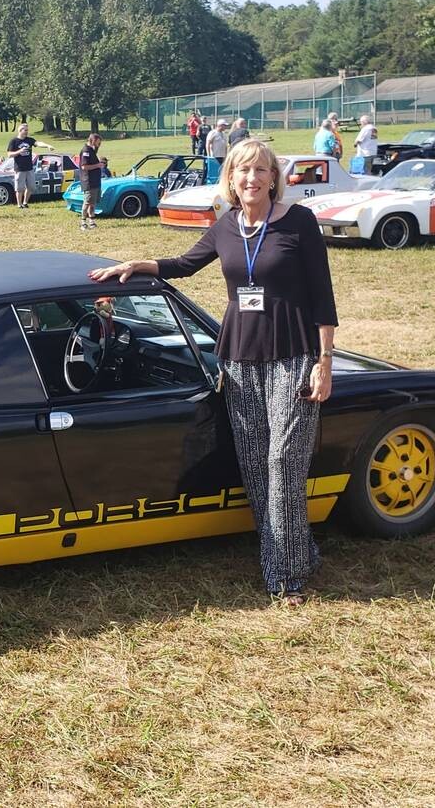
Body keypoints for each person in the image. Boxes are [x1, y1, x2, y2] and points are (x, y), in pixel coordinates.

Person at [87, 139, 336, 606]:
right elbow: (184, 264)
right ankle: (295, 556)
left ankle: (285, 577)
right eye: (244, 170)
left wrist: (324, 363)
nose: (252, 179)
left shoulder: (298, 222)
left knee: (284, 462)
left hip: (293, 354)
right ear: (231, 177)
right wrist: (138, 265)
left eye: (261, 170)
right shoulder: (226, 226)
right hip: (239, 358)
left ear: (274, 177)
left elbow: (323, 296)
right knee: (256, 465)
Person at [6, 123, 55, 210]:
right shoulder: (13, 141)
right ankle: (19, 204)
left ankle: (25, 203)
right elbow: (9, 155)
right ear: (20, 131)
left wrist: (47, 145)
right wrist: (19, 151)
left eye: (27, 130)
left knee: (31, 187)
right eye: (25, 130)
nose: (27, 132)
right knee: (19, 188)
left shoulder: (29, 140)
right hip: (19, 168)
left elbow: (38, 143)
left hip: (29, 168)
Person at [78, 133, 102, 231]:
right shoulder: (85, 151)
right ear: (92, 140)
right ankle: (83, 222)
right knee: (87, 202)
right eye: (98, 142)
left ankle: (91, 221)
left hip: (95, 180)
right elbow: (84, 166)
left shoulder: (92, 150)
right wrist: (97, 165)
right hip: (88, 181)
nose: (99, 144)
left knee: (93, 203)